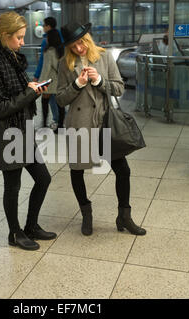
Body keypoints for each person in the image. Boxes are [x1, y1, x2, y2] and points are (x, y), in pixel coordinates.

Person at [56, 22, 146, 237]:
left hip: (105, 121)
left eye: (81, 42)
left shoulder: (104, 57)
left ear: (88, 38)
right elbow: (60, 99)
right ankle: (86, 214)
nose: (78, 48)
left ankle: (124, 216)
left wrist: (99, 81)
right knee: (77, 171)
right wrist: (77, 84)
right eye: (73, 46)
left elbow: (119, 87)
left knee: (122, 170)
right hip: (79, 123)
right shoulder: (64, 63)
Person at [0, 12, 56, 251]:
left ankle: (31, 225)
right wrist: (30, 93)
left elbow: (16, 94)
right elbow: (0, 108)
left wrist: (30, 87)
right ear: (4, 36)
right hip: (7, 133)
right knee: (12, 186)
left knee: (43, 179)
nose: (23, 42)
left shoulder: (10, 58)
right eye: (19, 37)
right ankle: (15, 233)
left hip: (23, 128)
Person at [34, 17, 62, 129]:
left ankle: (48, 122)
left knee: (46, 101)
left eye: (45, 25)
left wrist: (38, 80)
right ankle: (59, 122)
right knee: (59, 102)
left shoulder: (48, 48)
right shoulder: (60, 42)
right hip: (59, 79)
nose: (43, 27)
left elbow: (43, 64)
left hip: (49, 80)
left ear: (48, 26)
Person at [38, 29, 65, 134]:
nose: (46, 39)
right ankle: (61, 125)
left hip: (49, 82)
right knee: (60, 104)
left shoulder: (49, 52)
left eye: (47, 37)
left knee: (44, 102)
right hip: (60, 80)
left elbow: (46, 69)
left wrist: (40, 83)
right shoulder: (62, 50)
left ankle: (44, 125)